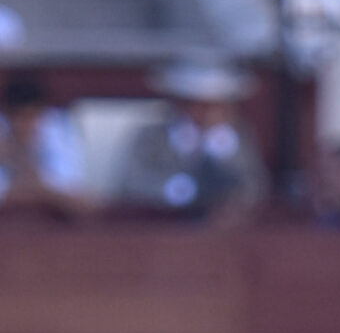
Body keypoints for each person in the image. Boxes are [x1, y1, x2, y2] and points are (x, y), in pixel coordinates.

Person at [119, 58, 265, 222]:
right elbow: (131, 182)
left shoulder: (238, 138)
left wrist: (221, 158)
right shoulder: (151, 137)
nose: (206, 114)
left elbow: (255, 186)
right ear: (178, 104)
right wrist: (181, 190)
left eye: (215, 106)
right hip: (160, 226)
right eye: (197, 105)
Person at [0, 71, 90, 216]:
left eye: (31, 117)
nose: (25, 126)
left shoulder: (58, 134)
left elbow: (80, 203)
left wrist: (20, 166)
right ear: (7, 116)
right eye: (19, 117)